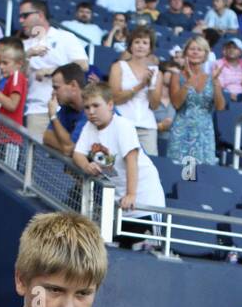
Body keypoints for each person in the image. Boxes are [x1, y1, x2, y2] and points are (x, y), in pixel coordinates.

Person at [75, 83, 167, 243]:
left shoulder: (123, 126)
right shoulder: (89, 127)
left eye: (96, 105)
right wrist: (86, 165)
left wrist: (131, 194)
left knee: (152, 251)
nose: (91, 111)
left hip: (145, 200)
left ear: (110, 105)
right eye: (87, 107)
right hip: (120, 205)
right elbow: (77, 153)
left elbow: (132, 160)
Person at [20, 0, 89, 142]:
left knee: (67, 154)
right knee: (36, 160)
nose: (21, 20)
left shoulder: (64, 37)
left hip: (65, 111)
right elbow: (17, 78)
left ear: (39, 15)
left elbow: (83, 65)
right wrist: (27, 56)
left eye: (25, 15)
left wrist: (52, 71)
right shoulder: (24, 45)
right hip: (36, 110)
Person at [167, 36, 225, 168]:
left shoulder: (213, 78)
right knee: (182, 175)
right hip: (182, 131)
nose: (195, 52)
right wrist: (188, 82)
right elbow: (176, 104)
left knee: (201, 176)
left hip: (204, 133)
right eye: (192, 49)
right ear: (186, 52)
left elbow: (220, 107)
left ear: (205, 54)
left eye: (199, 49)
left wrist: (216, 82)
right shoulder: (177, 76)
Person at [111, 26, 163, 155]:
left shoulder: (156, 72)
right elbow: (115, 98)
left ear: (150, 48)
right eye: (137, 42)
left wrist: (150, 86)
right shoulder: (118, 67)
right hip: (121, 124)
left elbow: (155, 105)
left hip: (147, 128)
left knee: (149, 169)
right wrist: (140, 85)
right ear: (130, 45)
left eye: (145, 43)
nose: (140, 46)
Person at [43, 63, 89, 158]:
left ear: (73, 85)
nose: (53, 93)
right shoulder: (67, 108)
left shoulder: (91, 108)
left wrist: (53, 116)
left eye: (56, 88)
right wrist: (67, 146)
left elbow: (68, 148)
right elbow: (47, 137)